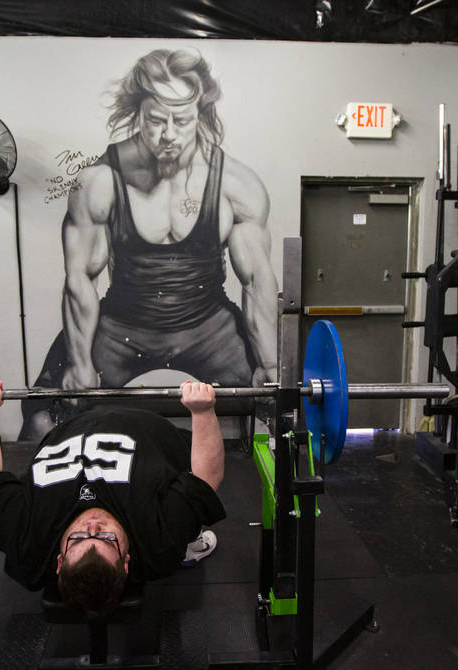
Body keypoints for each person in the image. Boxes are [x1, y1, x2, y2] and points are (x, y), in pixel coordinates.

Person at [20, 48, 278, 439]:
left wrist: (272, 364)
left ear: (202, 116)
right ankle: (51, 497)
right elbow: (79, 280)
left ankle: (288, 500)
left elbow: (257, 282)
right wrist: (78, 362)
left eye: (182, 120)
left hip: (209, 326)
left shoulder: (236, 187)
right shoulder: (99, 182)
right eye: (156, 120)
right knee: (43, 413)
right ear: (137, 113)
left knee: (282, 403)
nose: (168, 134)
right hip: (123, 326)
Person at [0, 380, 226, 619]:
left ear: (59, 560)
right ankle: (189, 544)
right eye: (105, 539)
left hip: (73, 424)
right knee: (191, 504)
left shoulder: (27, 544)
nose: (92, 527)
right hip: (150, 428)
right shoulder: (158, 540)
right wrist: (203, 412)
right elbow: (207, 478)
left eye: (77, 539)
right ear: (126, 561)